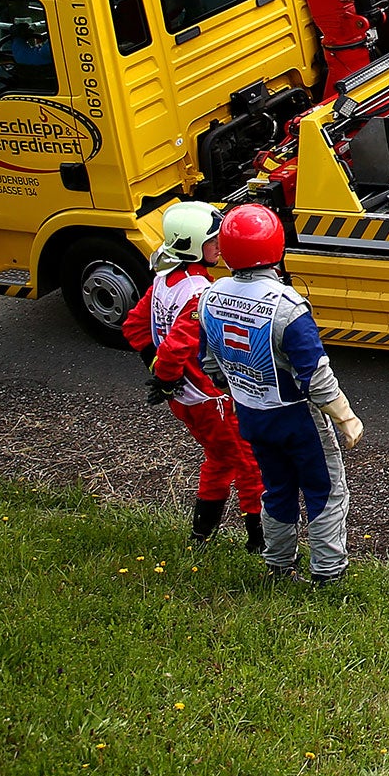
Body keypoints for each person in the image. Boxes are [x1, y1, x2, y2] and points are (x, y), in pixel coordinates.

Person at [154, 204, 364, 584]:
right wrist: (346, 418)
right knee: (325, 492)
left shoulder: (210, 297)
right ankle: (328, 574)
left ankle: (279, 565)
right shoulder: (286, 306)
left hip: (250, 413)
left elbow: (210, 362)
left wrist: (236, 386)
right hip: (295, 415)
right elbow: (315, 375)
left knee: (277, 490)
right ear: (276, 247)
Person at [121, 201, 263, 552]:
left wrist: (159, 374)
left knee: (220, 459)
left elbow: (134, 325)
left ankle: (200, 536)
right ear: (192, 246)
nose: (220, 247)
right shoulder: (198, 292)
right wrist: (165, 373)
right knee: (250, 465)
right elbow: (177, 345)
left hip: (185, 400)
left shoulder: (166, 281)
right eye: (213, 242)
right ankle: (261, 544)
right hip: (209, 399)